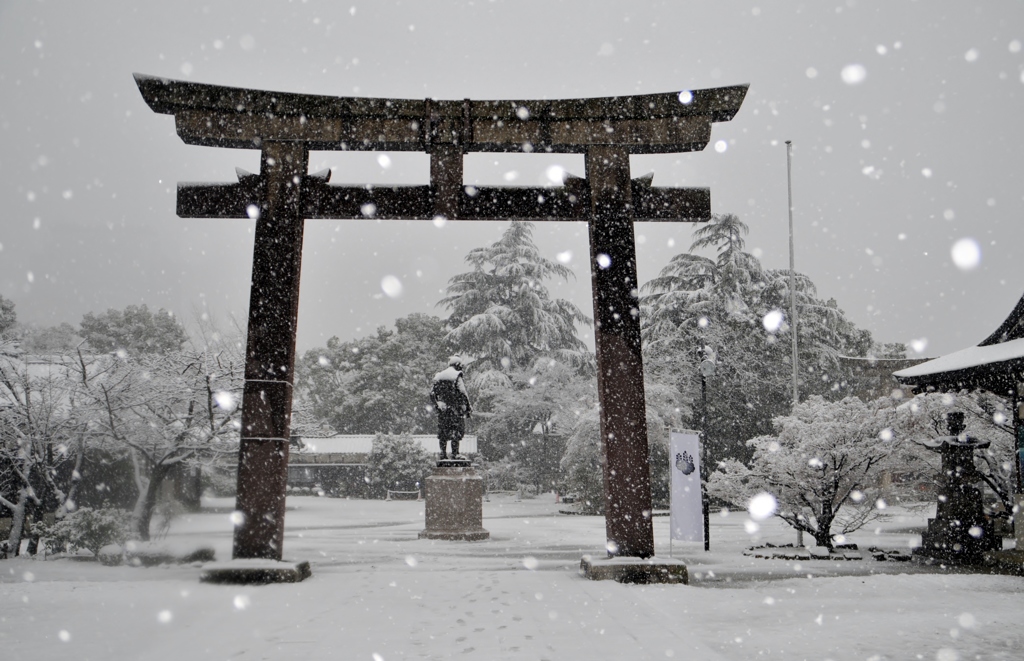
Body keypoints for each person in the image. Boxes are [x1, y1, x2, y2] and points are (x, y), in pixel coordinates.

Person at [430, 356, 473, 459]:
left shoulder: (439, 376)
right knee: (456, 431)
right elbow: (463, 392)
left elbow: (432, 393)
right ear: (457, 365)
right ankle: (455, 453)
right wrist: (468, 407)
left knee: (443, 432)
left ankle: (443, 454)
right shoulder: (457, 375)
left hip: (443, 411)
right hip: (455, 409)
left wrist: (438, 404)